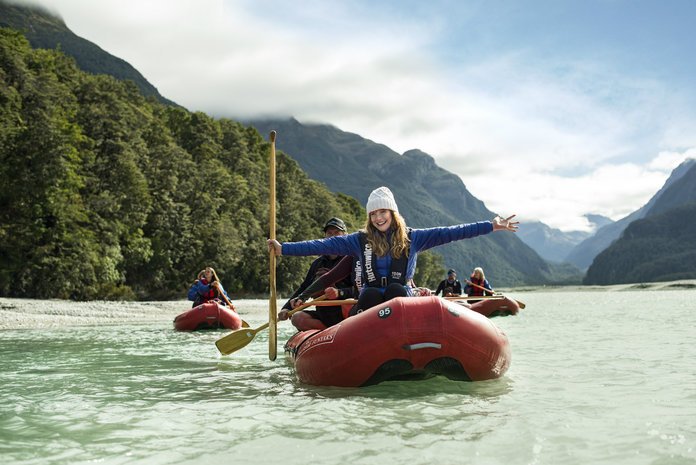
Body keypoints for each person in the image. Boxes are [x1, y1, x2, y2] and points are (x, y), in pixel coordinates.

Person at [267, 186, 518, 315]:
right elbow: (321, 245)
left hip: (401, 297)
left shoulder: (414, 238)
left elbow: (452, 231)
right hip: (371, 297)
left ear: (392, 213)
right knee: (371, 294)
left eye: (382, 212)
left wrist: (491, 226)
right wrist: (283, 249)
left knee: (397, 289)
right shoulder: (358, 240)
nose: (378, 218)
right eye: (373, 214)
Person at [278, 217, 353, 330]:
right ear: (325, 237)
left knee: (349, 302)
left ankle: (342, 330)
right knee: (297, 318)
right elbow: (305, 287)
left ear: (345, 235)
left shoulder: (352, 259)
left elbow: (359, 289)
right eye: (329, 233)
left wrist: (339, 292)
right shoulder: (318, 263)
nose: (333, 237)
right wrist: (287, 308)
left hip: (347, 312)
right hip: (324, 315)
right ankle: (329, 334)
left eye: (337, 233)